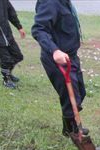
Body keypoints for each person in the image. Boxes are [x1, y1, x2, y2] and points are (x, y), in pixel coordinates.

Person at [31, 0, 90, 139]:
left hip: (70, 56)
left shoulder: (65, 2)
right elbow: (39, 29)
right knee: (71, 98)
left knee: (80, 92)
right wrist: (55, 50)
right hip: (57, 57)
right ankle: (72, 130)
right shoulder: (50, 2)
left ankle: (69, 126)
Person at [0, 0, 25, 89]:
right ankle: (6, 80)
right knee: (6, 60)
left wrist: (19, 27)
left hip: (7, 34)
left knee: (18, 56)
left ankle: (8, 74)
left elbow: (11, 12)